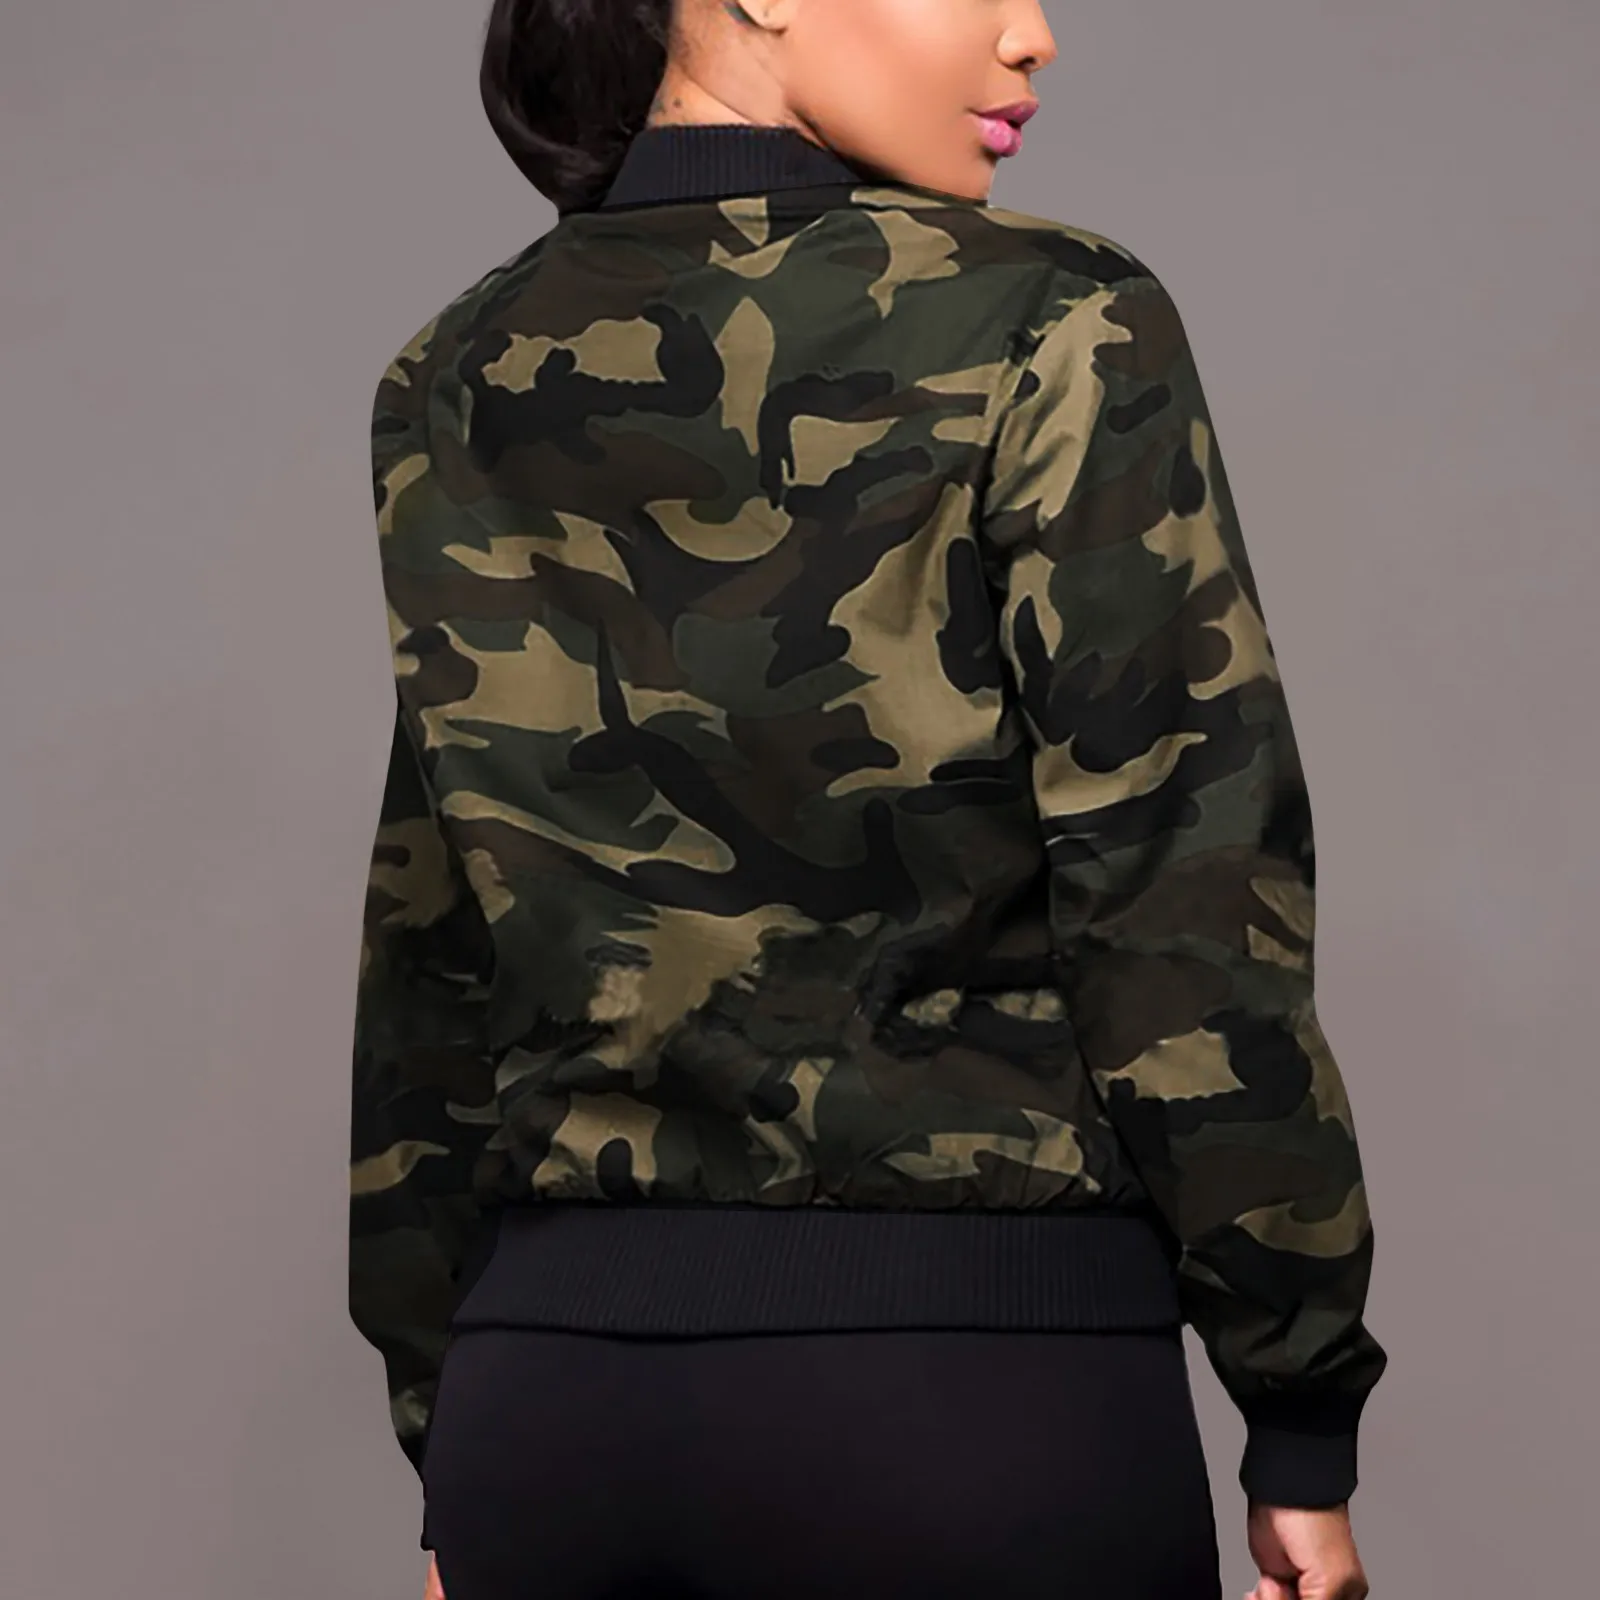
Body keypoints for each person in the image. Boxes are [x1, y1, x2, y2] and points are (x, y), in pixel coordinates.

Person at [346, 0, 1389, 1594]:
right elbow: (1182, 892)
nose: (1034, 36)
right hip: (971, 1412)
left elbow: (436, 935)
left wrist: (459, 1441)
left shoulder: (454, 366)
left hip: (550, 1415)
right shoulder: (1055, 316)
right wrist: (1297, 1400)